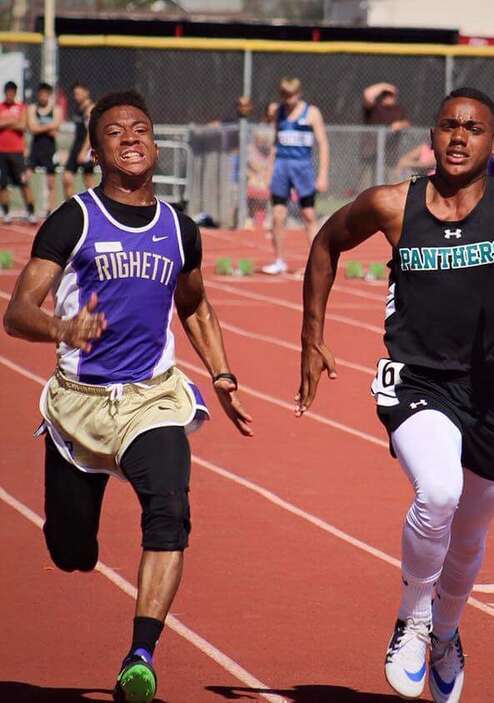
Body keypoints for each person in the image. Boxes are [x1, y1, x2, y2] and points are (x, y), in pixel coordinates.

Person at [297, 87, 494, 702]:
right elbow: (326, 243)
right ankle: (413, 617)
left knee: (469, 539)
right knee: (438, 491)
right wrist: (312, 336)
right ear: (432, 136)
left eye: (473, 128)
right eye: (448, 126)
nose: (459, 137)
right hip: (415, 380)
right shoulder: (395, 204)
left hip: (493, 393)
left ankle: (445, 631)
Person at [3, 90, 253, 703]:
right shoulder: (75, 219)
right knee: (69, 552)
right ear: (96, 150)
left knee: (170, 511)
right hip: (79, 404)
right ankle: (76, 541)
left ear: (156, 142)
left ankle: (140, 656)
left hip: (152, 397)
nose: (131, 138)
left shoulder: (180, 228)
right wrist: (64, 329)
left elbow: (193, 306)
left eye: (140, 128)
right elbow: (16, 313)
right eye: (115, 132)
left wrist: (220, 376)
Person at [261, 77, 329, 275]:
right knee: (277, 215)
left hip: (302, 167)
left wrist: (323, 174)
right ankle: (279, 260)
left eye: (291, 95)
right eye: (285, 96)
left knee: (308, 215)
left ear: (298, 94)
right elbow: (275, 142)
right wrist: (268, 170)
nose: (288, 100)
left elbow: (323, 143)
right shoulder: (278, 112)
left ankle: (317, 262)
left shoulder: (312, 113)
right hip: (282, 167)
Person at [0, 80, 36, 223]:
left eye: (12, 92)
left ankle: (31, 211)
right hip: (1, 151)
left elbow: (22, 125)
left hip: (17, 151)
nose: (9, 95)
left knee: (23, 182)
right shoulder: (1, 106)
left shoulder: (22, 107)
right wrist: (11, 120)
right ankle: (6, 212)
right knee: (2, 184)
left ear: (15, 93)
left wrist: (5, 121)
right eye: (7, 92)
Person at [27, 82, 63, 216]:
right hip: (35, 147)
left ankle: (50, 209)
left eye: (45, 94)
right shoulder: (32, 108)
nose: (43, 97)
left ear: (49, 95)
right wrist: (48, 127)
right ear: (37, 95)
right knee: (26, 176)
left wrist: (39, 127)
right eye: (40, 94)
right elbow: (32, 128)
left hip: (50, 148)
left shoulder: (56, 109)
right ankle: (30, 208)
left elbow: (56, 127)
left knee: (51, 180)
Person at [62, 81, 95, 199]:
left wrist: (84, 151)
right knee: (67, 177)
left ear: (86, 92)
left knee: (88, 179)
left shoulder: (90, 109)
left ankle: (95, 209)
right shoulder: (77, 108)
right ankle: (71, 208)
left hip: (87, 148)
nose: (76, 96)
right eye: (75, 94)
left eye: (79, 93)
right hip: (77, 146)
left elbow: (91, 133)